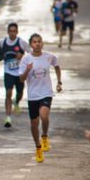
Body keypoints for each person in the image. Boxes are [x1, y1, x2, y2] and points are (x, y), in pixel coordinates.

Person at [17, 34, 62, 162]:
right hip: (33, 96)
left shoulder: (49, 56)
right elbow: (21, 79)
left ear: (42, 43)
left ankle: (45, 136)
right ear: (31, 44)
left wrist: (59, 82)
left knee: (44, 116)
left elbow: (57, 66)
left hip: (46, 93)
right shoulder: (26, 59)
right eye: (35, 42)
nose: (37, 44)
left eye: (39, 42)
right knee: (34, 123)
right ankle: (38, 147)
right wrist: (27, 70)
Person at [0, 21, 27, 130]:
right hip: (8, 72)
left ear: (17, 32)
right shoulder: (3, 42)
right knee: (8, 93)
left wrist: (23, 56)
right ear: (8, 32)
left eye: (14, 31)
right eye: (10, 31)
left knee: (20, 93)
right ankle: (8, 117)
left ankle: (17, 101)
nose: (12, 33)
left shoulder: (21, 42)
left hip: (19, 73)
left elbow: (31, 54)